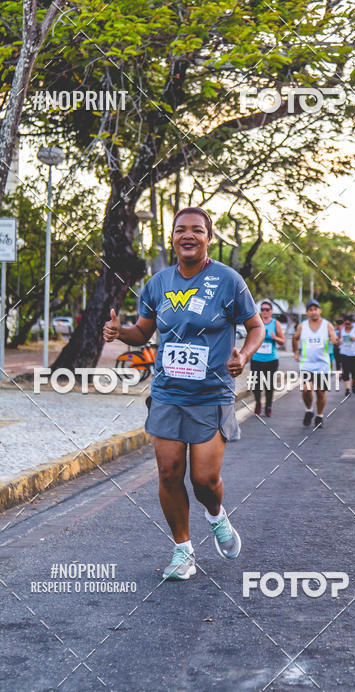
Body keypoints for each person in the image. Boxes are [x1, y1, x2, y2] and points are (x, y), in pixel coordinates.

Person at [103, 207, 264, 581]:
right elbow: (143, 332)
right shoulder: (158, 283)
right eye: (180, 230)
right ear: (172, 237)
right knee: (168, 472)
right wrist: (119, 332)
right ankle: (183, 550)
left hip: (211, 393)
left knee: (204, 481)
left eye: (196, 230)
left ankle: (216, 516)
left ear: (209, 237)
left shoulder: (228, 281)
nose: (187, 235)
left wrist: (243, 355)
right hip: (168, 392)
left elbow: (255, 327)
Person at [292, 299, 337, 428]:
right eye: (310, 310)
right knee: (306, 389)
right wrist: (296, 352)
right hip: (306, 364)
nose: (313, 312)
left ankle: (319, 416)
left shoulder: (327, 325)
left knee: (320, 392)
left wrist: (333, 339)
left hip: (322, 365)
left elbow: (333, 337)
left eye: (315, 309)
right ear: (307, 312)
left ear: (320, 310)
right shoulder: (302, 326)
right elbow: (295, 338)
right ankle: (309, 410)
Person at [250, 300, 285, 416]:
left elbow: (282, 341)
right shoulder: (256, 322)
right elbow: (250, 339)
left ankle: (268, 406)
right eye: (262, 309)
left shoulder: (275, 323)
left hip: (271, 360)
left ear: (271, 311)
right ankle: (258, 403)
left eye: (267, 309)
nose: (264, 311)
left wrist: (275, 338)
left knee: (269, 385)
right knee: (256, 385)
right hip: (256, 359)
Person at [336, 315, 355, 396]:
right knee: (345, 371)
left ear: (352, 323)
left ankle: (353, 384)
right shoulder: (342, 329)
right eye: (345, 324)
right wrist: (339, 341)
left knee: (354, 372)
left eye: (349, 324)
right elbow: (339, 339)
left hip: (354, 353)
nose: (347, 326)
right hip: (344, 353)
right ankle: (347, 389)